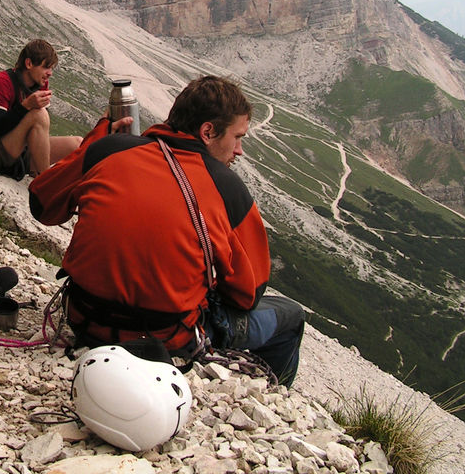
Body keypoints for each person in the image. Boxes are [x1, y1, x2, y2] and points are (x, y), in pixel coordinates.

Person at [28, 76, 305, 386]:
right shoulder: (227, 189)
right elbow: (248, 295)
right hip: (168, 337)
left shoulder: (106, 151)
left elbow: (41, 204)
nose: (239, 150)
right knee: (291, 316)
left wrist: (96, 141)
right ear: (208, 132)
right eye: (237, 137)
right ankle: (272, 398)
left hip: (85, 319)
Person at [0, 39, 82, 177]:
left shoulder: (40, 85)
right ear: (29, 63)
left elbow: (38, 128)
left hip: (21, 149)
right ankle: (45, 183)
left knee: (78, 144)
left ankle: (43, 173)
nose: (50, 73)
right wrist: (26, 106)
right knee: (39, 115)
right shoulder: (1, 82)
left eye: (51, 68)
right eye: (46, 67)